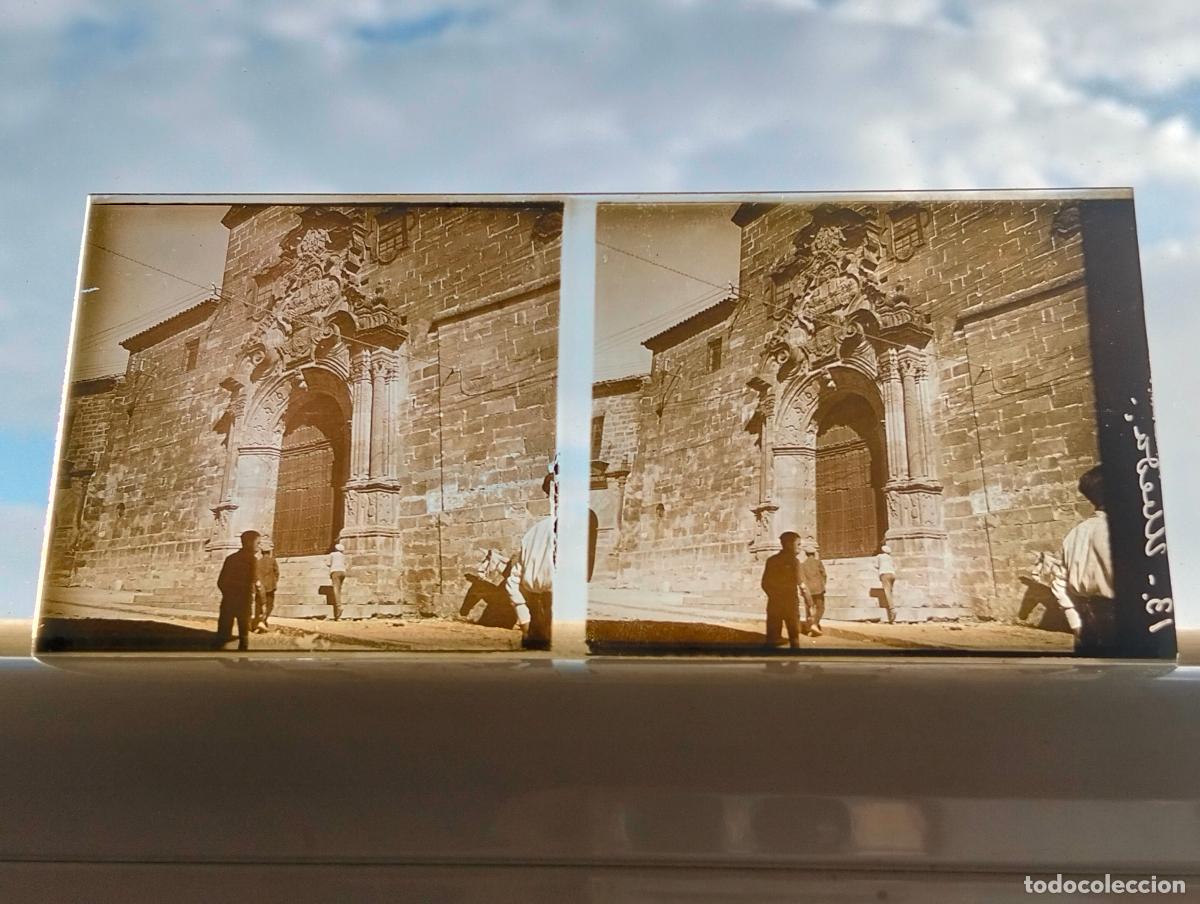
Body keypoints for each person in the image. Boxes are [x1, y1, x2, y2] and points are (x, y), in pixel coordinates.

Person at [1053, 465, 1115, 656]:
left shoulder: (1075, 534)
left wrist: (1075, 622)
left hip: (1087, 625)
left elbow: (1058, 583)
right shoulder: (1120, 532)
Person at [505, 471, 557, 650]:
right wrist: (526, 619)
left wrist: (524, 618)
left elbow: (512, 581)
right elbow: (513, 580)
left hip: (537, 617)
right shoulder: (535, 533)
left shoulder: (532, 533)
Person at [761, 531, 807, 649]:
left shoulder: (771, 560)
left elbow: (765, 584)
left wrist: (774, 596)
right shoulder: (795, 562)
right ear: (788, 544)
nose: (800, 548)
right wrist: (809, 602)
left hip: (775, 603)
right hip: (790, 603)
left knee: (772, 638)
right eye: (798, 544)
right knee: (794, 637)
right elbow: (802, 584)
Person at [216, 530, 259, 650]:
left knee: (223, 634)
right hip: (243, 602)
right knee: (243, 635)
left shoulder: (230, 558)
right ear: (249, 543)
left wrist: (228, 595)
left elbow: (221, 582)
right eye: (258, 543)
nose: (259, 546)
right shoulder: (252, 560)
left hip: (229, 601)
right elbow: (253, 581)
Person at [799, 542, 827, 637]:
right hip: (818, 589)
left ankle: (809, 629)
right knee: (820, 608)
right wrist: (822, 585)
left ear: (806, 554)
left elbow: (802, 578)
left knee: (809, 609)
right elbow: (824, 575)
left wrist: (803, 591)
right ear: (814, 553)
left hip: (808, 590)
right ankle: (815, 624)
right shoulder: (818, 562)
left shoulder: (802, 565)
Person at [253, 539, 279, 632]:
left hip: (259, 587)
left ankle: (257, 624)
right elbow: (277, 573)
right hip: (270, 587)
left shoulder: (257, 562)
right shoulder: (272, 561)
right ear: (269, 551)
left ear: (262, 552)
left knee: (258, 605)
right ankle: (263, 621)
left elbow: (254, 575)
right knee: (269, 605)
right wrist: (274, 582)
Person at [877, 544, 897, 624]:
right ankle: (891, 607)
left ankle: (892, 609)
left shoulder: (879, 556)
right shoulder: (890, 558)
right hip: (892, 574)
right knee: (890, 592)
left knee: (887, 592)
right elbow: (894, 566)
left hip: (884, 574)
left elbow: (876, 565)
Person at [327, 542, 347, 621]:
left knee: (336, 589)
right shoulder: (343, 556)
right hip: (343, 572)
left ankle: (339, 606)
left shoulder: (332, 554)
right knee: (339, 589)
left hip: (335, 571)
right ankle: (338, 616)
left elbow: (328, 563)